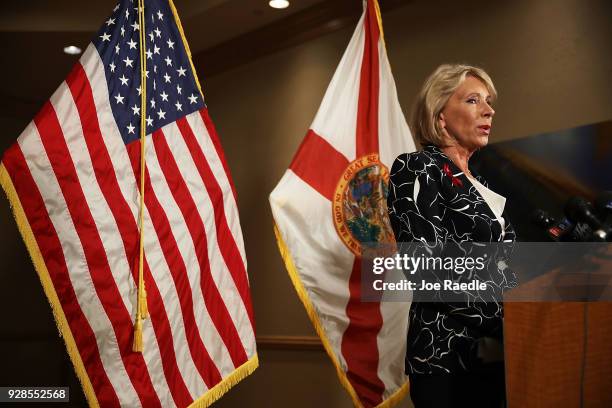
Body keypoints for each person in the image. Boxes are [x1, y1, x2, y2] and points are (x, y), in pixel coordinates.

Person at [387, 64, 516, 407]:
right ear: (440, 114)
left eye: (488, 101)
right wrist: (507, 322)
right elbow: (427, 269)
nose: (489, 110)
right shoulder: (416, 168)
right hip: (446, 356)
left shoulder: (484, 186)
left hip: (500, 357)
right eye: (473, 100)